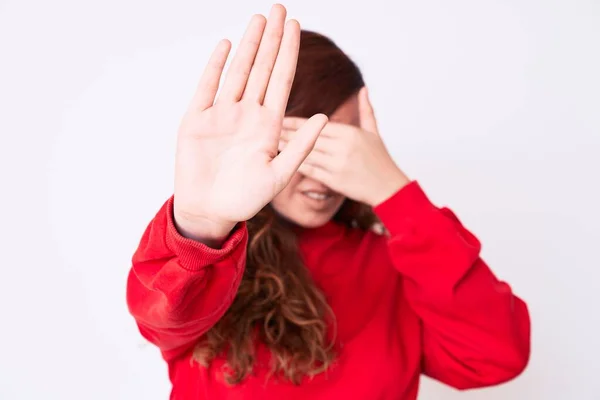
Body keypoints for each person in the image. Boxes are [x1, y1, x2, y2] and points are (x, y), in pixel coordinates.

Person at [126, 4, 530, 399]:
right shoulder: (215, 262)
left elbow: (496, 356)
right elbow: (159, 313)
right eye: (303, 142)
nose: (324, 170)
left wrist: (396, 194)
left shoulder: (397, 267)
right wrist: (202, 222)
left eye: (343, 146)